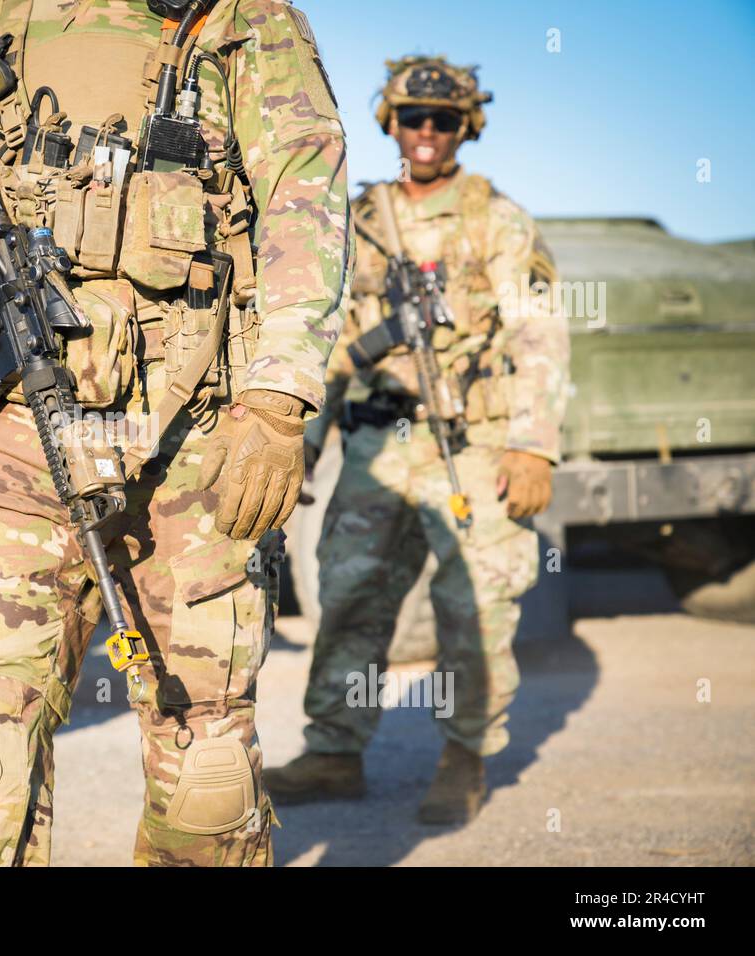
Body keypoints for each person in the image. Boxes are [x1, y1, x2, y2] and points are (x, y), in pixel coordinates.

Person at [0, 0, 351, 866]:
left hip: (197, 430)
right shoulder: (0, 21)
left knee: (207, 767)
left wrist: (280, 398)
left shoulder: (242, 21)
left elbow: (305, 198)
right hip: (19, 424)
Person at [264, 55, 570, 824]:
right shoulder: (360, 221)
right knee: (350, 594)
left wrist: (533, 445)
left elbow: (538, 332)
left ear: (465, 128)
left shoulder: (496, 220)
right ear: (390, 124)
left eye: (442, 120)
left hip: (473, 442)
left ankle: (465, 755)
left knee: (474, 605)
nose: (426, 132)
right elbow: (326, 341)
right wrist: (296, 446)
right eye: (412, 117)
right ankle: (334, 751)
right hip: (378, 447)